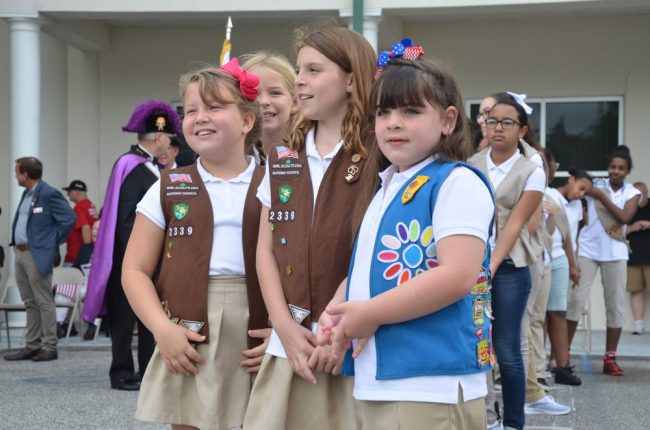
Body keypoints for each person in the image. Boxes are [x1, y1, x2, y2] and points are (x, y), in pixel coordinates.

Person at [317, 46, 495, 429]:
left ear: (448, 120)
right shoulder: (389, 187)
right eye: (383, 112)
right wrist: (338, 309)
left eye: (411, 111)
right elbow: (368, 265)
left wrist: (368, 314)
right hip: (384, 379)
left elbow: (457, 275)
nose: (393, 123)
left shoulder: (456, 181)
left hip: (431, 382)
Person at [243, 24, 376, 430]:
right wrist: (282, 325)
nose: (300, 79)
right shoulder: (285, 156)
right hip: (291, 344)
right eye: (299, 70)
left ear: (352, 80)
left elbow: (373, 249)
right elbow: (265, 249)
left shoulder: (378, 152)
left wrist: (337, 325)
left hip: (349, 341)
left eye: (314, 70)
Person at [122, 59, 268, 429]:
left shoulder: (279, 184)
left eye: (215, 107)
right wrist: (162, 329)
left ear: (247, 121)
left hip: (259, 323)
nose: (200, 117)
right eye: (190, 111)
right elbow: (135, 269)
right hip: (189, 325)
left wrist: (285, 330)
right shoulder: (167, 186)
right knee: (191, 421)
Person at [83, 100, 180, 391]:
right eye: (169, 139)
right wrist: (142, 258)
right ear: (159, 137)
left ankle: (145, 371)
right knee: (124, 321)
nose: (169, 145)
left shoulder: (144, 167)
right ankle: (122, 372)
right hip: (129, 259)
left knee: (146, 319)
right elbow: (127, 221)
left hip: (139, 259)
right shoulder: (133, 167)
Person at [470, 93, 546, 430]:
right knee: (477, 345)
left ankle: (514, 423)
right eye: (491, 120)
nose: (497, 127)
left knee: (507, 349)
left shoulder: (533, 170)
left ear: (522, 130)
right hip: (470, 266)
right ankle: (485, 418)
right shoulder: (471, 163)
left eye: (507, 122)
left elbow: (514, 225)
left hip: (510, 269)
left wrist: (489, 268)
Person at [566, 145, 640, 377]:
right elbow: (574, 191)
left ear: (627, 171)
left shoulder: (631, 193)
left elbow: (625, 217)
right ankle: (562, 355)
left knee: (615, 306)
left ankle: (610, 358)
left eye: (621, 168)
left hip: (616, 252)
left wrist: (600, 196)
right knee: (575, 301)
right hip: (587, 250)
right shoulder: (595, 184)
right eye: (612, 167)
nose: (615, 171)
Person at [5, 157, 76, 362]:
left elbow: (69, 219)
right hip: (20, 253)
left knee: (43, 301)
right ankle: (33, 345)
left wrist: (50, 242)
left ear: (26, 174)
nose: (16, 176)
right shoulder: (27, 193)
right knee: (30, 301)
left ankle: (49, 346)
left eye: (17, 172)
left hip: (36, 254)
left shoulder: (47, 193)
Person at [541, 157, 592, 388]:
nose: (581, 193)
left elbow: (569, 237)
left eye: (585, 192)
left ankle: (562, 365)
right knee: (538, 316)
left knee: (558, 312)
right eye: (580, 187)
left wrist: (574, 264)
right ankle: (537, 366)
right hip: (541, 256)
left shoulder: (576, 207)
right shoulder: (549, 194)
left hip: (560, 258)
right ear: (570, 180)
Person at [241, 51, 300, 162]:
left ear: (295, 103)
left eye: (275, 93)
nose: (263, 101)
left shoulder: (314, 151)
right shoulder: (230, 156)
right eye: (253, 93)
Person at [626, 181, 650, 334]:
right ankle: (638, 325)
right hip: (633, 255)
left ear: (647, 193)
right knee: (636, 290)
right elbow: (616, 230)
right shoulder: (627, 208)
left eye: (642, 193)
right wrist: (632, 227)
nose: (640, 197)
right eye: (637, 194)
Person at [62, 180, 97, 267]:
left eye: (69, 192)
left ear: (77, 191)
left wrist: (86, 252)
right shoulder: (91, 206)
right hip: (88, 255)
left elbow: (86, 228)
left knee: (67, 280)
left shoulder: (79, 207)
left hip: (76, 257)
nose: (67, 195)